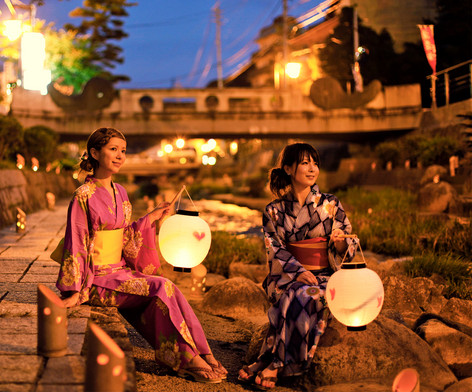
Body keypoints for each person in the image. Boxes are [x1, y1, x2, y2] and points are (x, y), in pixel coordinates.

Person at [55, 127, 227, 383]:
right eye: (113, 149)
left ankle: (199, 351)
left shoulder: (121, 192)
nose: (119, 156)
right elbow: (77, 241)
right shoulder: (83, 195)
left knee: (171, 290)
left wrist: (151, 218)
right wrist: (72, 291)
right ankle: (186, 358)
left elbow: (125, 236)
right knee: (162, 287)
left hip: (119, 271)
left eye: (122, 151)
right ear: (94, 152)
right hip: (97, 279)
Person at [238, 142, 357, 390]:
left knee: (304, 295)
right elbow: (275, 248)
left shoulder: (330, 204)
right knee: (294, 292)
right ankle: (276, 361)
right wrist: (298, 271)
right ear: (289, 169)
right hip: (288, 276)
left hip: (325, 277)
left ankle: (274, 361)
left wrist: (340, 244)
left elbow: (349, 240)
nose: (312, 169)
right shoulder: (274, 210)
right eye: (305, 163)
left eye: (315, 163)